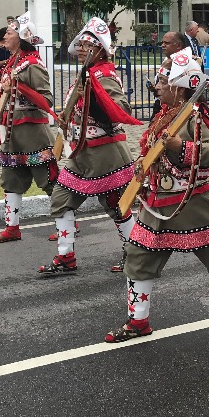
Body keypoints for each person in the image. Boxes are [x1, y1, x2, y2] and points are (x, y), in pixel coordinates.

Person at [105, 49, 209, 340]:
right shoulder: (163, 115)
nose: (157, 85)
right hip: (157, 204)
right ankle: (138, 322)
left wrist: (182, 148)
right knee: (138, 257)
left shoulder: (198, 115)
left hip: (194, 203)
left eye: (163, 81)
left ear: (178, 87)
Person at [40, 17, 142, 276]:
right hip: (82, 153)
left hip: (106, 153)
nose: (81, 49)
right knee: (61, 200)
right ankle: (66, 256)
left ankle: (134, 254)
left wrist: (92, 100)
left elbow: (120, 110)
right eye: (81, 45)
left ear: (99, 49)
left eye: (87, 45)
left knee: (116, 205)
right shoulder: (86, 74)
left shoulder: (104, 75)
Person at [0, 13, 59, 244]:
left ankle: (67, 225)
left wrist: (17, 90)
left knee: (48, 180)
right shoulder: (13, 62)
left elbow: (46, 100)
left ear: (22, 37)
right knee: (10, 180)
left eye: (9, 32)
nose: (4, 36)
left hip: (33, 134)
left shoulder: (33, 64)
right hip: (12, 133)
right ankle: (12, 227)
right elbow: (7, 94)